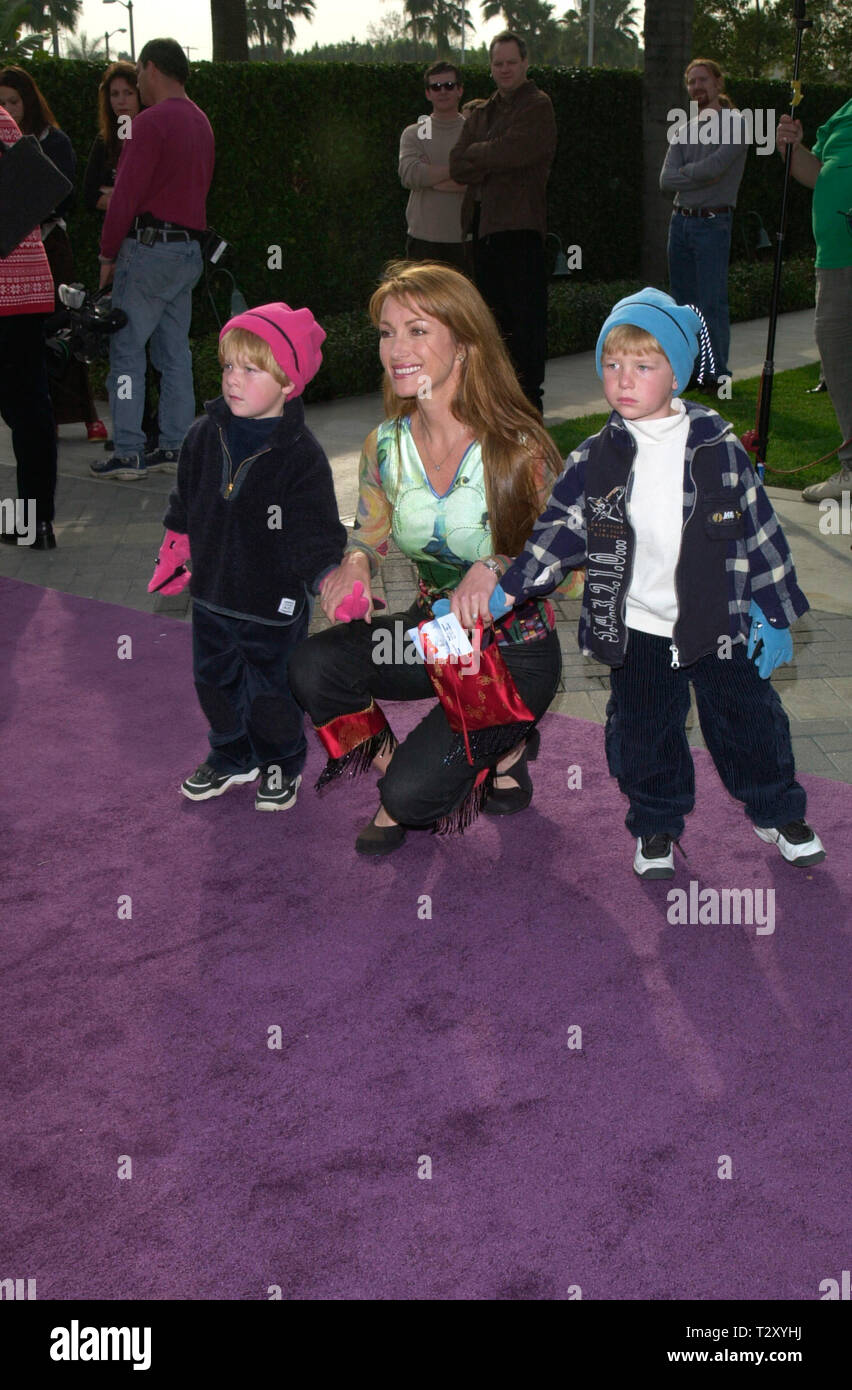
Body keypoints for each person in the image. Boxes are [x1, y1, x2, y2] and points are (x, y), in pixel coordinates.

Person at [456, 288, 825, 878]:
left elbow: (761, 533)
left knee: (748, 721)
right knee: (644, 729)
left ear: (676, 375)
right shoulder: (593, 459)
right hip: (637, 628)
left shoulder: (717, 449)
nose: (624, 379)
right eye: (612, 364)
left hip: (719, 622)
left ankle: (777, 808)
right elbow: (557, 532)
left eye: (643, 365)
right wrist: (510, 587)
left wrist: (775, 612)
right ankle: (655, 822)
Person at [288, 261, 564, 857]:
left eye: (417, 330)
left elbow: (571, 566)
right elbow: (367, 536)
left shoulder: (519, 448)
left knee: (413, 804)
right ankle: (405, 767)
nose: (396, 349)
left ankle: (504, 742)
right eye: (387, 332)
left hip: (516, 652)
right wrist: (356, 565)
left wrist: (499, 563)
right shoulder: (384, 445)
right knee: (314, 665)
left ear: (464, 343)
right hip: (438, 638)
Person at [150, 302, 346, 811]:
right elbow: (185, 501)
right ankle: (231, 755)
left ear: (289, 382)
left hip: (272, 606)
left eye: (251, 369)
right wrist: (176, 546)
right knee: (213, 684)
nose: (233, 380)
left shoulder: (301, 454)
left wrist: (330, 578)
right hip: (212, 597)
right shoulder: (202, 434)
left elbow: (317, 533)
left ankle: (280, 760)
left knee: (271, 693)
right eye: (229, 366)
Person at [91, 37, 214, 482]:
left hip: (149, 250)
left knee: (126, 351)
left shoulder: (149, 122)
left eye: (138, 74)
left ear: (151, 69)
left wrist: (108, 255)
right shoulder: (200, 121)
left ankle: (127, 453)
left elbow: (125, 197)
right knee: (174, 352)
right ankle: (175, 446)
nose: (137, 82)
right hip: (187, 252)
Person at [449, 31, 556, 413]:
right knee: (491, 333)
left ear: (525, 64)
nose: (505, 69)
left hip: (520, 232)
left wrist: (483, 155)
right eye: (498, 63)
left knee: (525, 337)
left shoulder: (537, 106)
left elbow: (517, 151)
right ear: (491, 67)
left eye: (511, 62)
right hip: (482, 234)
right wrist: (490, 156)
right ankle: (498, 419)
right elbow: (458, 164)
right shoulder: (482, 111)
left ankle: (530, 423)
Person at [0, 65, 107, 442]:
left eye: (14, 101)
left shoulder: (53, 140)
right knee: (27, 349)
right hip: (13, 259)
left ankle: (87, 414)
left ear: (29, 101)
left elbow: (62, 196)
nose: (9, 108)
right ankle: (40, 418)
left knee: (66, 328)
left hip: (48, 249)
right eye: (2, 102)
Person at [83, 60, 160, 454]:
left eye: (127, 92)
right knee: (123, 346)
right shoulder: (105, 143)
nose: (120, 101)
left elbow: (147, 196)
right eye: (113, 95)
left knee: (152, 346)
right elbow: (87, 195)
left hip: (149, 250)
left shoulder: (151, 133)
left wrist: (121, 198)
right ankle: (129, 427)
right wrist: (117, 200)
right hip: (118, 251)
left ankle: (152, 429)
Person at [777, 102, 852, 503]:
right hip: (834, 260)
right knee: (837, 360)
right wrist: (792, 150)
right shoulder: (842, 113)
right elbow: (816, 174)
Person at [660, 58, 747, 387]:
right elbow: (665, 180)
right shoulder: (683, 129)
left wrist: (689, 175)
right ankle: (691, 373)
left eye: (703, 80)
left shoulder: (738, 124)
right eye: (691, 82)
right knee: (684, 305)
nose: (697, 87)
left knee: (711, 304)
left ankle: (716, 375)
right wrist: (698, 177)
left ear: (718, 83)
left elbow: (716, 169)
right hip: (679, 225)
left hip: (713, 225)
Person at [0, 103, 58, 549]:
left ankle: (21, 522)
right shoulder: (4, 120)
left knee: (24, 413)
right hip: (29, 284)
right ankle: (34, 523)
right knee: (30, 412)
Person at [398, 60, 468, 271]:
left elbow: (481, 180)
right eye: (436, 87)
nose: (442, 91)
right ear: (428, 93)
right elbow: (410, 175)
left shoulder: (476, 132)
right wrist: (457, 170)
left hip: (466, 240)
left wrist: (430, 177)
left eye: (449, 85)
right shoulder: (413, 133)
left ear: (460, 90)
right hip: (422, 240)